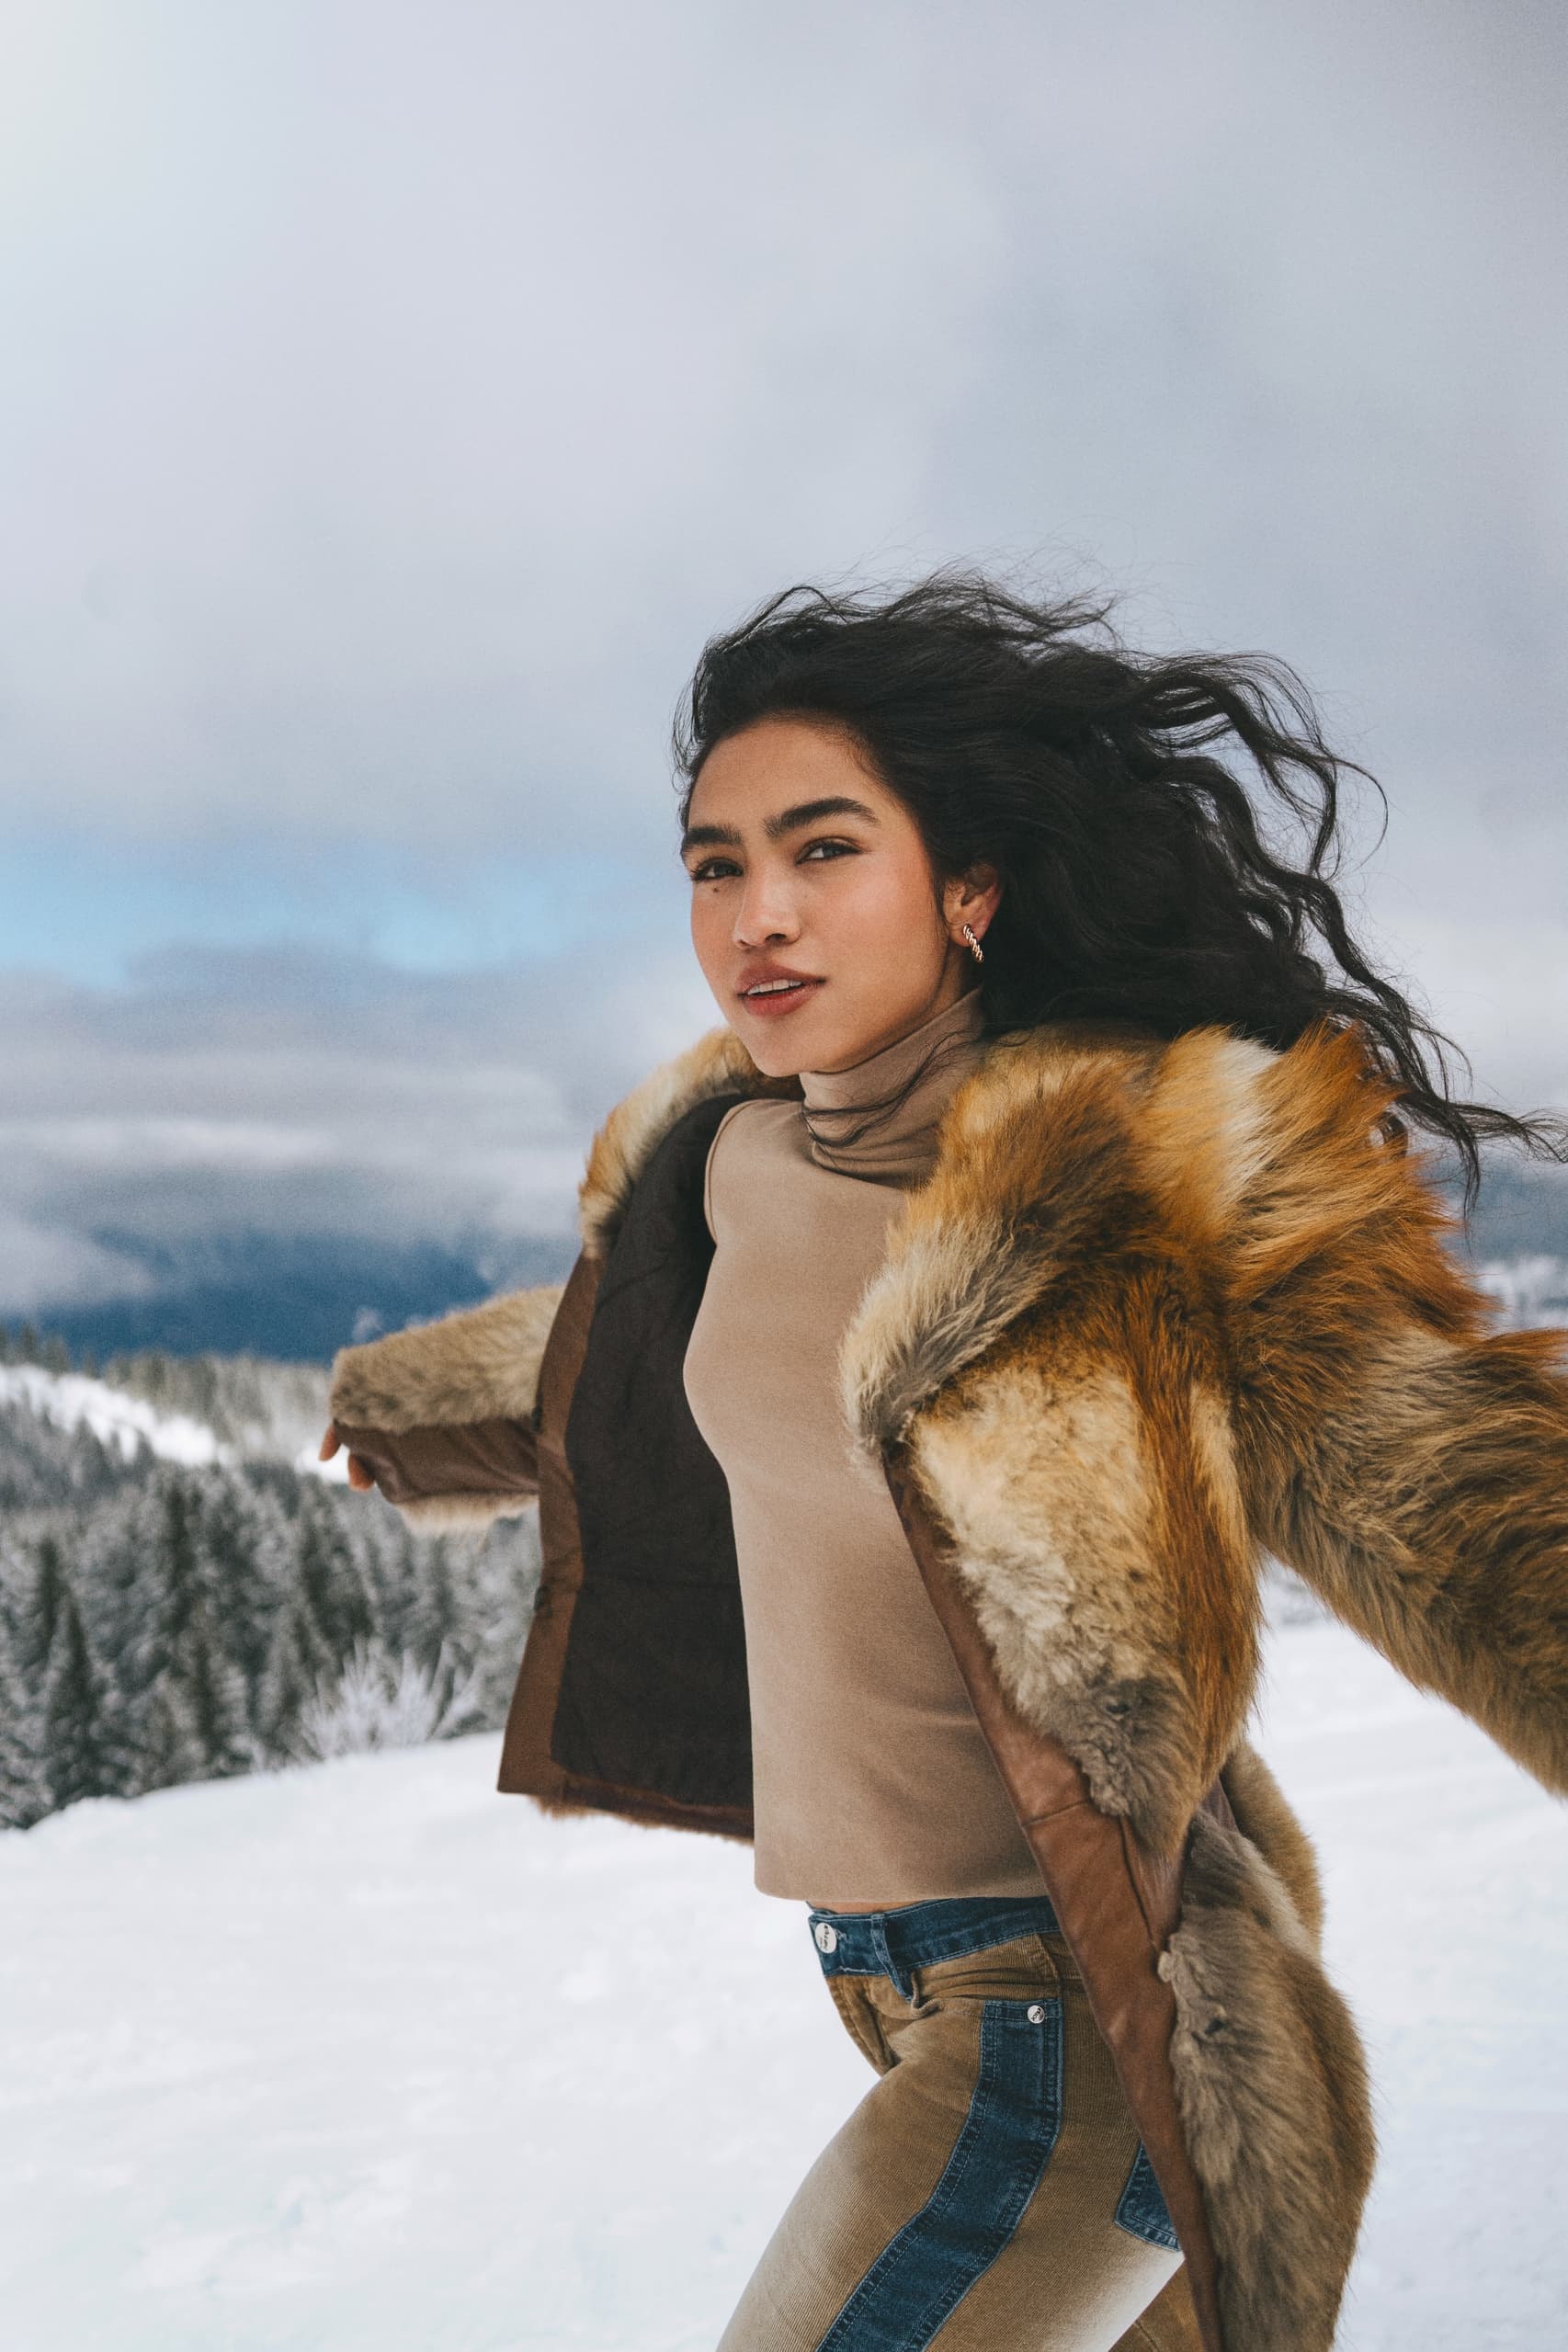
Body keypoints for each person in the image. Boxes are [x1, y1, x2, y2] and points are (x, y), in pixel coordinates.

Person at [320, 576, 1568, 2352]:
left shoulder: (1151, 1187)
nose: (757, 915)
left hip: (1087, 2033)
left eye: (822, 849)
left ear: (966, 887)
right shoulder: (726, 1164)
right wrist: (399, 1411)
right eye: (713, 863)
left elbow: (1464, 1495)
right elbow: (626, 1359)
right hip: (888, 1990)